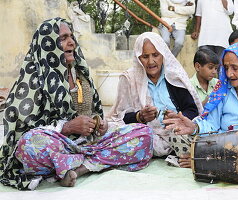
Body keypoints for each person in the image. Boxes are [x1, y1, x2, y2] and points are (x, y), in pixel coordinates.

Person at [0, 18, 153, 190]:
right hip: (57, 146)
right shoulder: (32, 80)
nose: (71, 42)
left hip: (89, 144)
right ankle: (80, 163)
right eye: (63, 38)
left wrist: (98, 124)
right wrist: (67, 128)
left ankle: (78, 169)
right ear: (48, 45)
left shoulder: (81, 73)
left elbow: (94, 111)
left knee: (144, 134)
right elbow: (22, 133)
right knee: (30, 144)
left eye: (71, 36)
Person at [107, 32, 202, 167]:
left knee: (193, 133)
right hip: (147, 137)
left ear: (163, 55)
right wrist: (140, 116)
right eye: (145, 56)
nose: (151, 61)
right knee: (119, 132)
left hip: (175, 135)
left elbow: (193, 110)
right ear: (138, 57)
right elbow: (119, 117)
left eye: (155, 55)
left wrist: (179, 117)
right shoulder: (129, 79)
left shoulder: (175, 77)